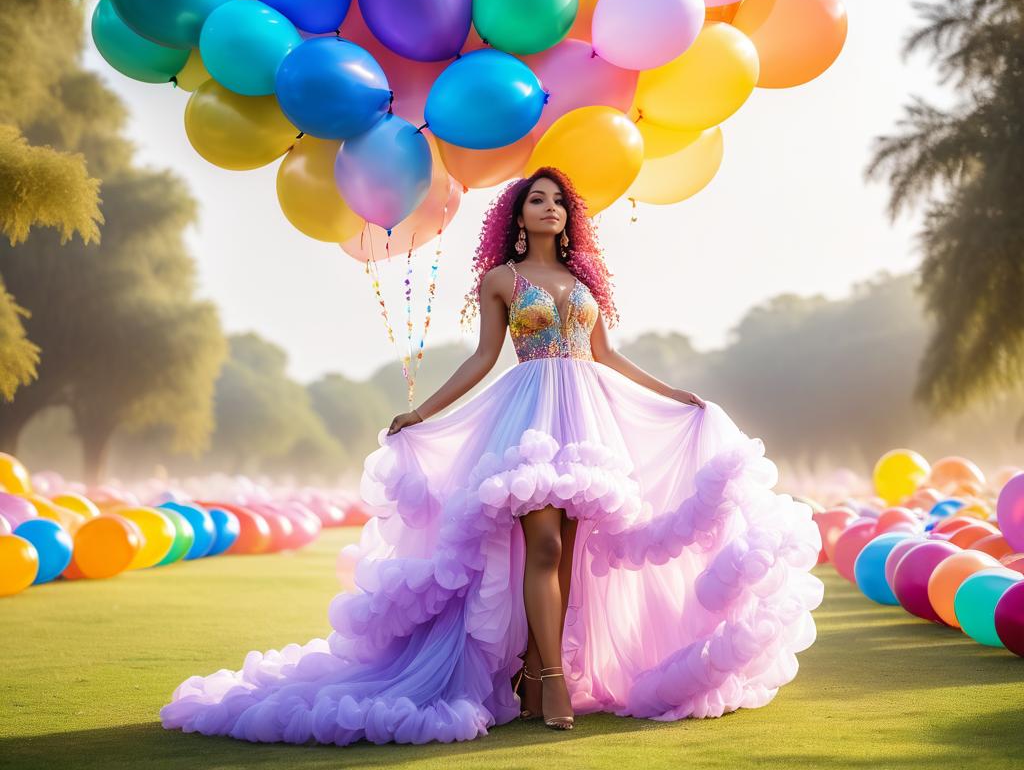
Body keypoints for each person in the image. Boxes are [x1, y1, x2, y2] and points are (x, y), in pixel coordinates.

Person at [160, 166, 824, 746]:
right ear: (517, 214)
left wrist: (674, 395)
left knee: (568, 553)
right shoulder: (501, 279)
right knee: (544, 551)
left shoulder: (583, 276)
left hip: (589, 417)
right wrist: (423, 412)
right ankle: (554, 679)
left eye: (559, 202)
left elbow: (607, 355)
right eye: (538, 200)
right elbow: (484, 358)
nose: (551, 209)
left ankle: (536, 675)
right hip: (528, 419)